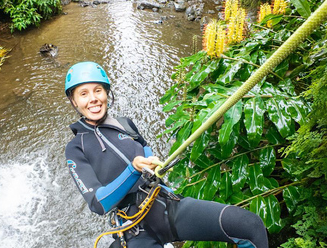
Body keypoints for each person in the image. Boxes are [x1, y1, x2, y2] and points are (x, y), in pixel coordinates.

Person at [64, 61, 269, 248]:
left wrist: (151, 161)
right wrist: (133, 169)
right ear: (74, 101)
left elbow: (144, 147)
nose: (93, 99)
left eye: (98, 90)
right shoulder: (76, 148)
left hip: (167, 204)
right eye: (84, 94)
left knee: (250, 226)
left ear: (106, 93)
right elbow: (98, 203)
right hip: (135, 230)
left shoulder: (125, 124)